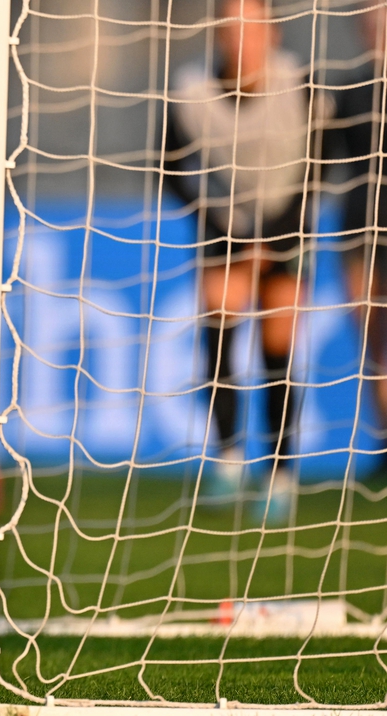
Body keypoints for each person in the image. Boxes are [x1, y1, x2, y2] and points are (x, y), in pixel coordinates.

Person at [164, 0, 329, 522]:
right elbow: (168, 170)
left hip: (287, 223)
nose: (241, 38)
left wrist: (272, 239)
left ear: (270, 33)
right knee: (219, 315)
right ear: (218, 34)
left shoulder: (302, 86)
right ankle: (229, 455)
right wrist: (225, 228)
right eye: (230, 26)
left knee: (278, 342)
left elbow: (320, 169)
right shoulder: (189, 92)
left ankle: (280, 472)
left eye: (250, 26)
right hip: (224, 227)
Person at [334, 1, 387, 464]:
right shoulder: (351, 91)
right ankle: (383, 442)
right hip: (360, 229)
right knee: (374, 345)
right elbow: (324, 159)